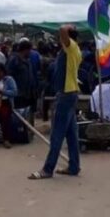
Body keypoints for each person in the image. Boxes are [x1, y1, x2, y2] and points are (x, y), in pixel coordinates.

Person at [29, 25, 82, 180]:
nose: (60, 39)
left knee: (56, 134)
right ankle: (74, 166)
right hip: (70, 93)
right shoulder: (73, 49)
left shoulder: (70, 47)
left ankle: (47, 169)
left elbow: (63, 29)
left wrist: (69, 26)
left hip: (66, 94)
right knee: (71, 134)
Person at [7, 40, 36, 109]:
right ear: (25, 50)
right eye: (29, 50)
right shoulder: (14, 60)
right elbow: (8, 75)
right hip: (18, 94)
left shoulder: (27, 60)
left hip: (26, 94)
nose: (30, 52)